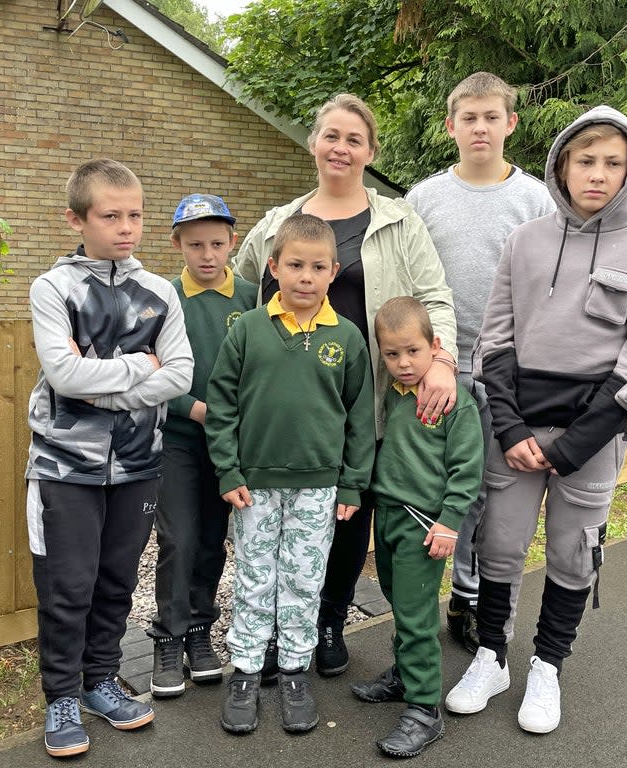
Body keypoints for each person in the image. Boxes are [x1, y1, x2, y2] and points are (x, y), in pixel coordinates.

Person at [444, 106, 627, 734]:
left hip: (592, 436)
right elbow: (491, 342)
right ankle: (491, 655)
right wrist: (512, 432)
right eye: (585, 161)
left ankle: (548, 664)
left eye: (612, 163)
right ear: (562, 166)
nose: (597, 175)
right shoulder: (526, 240)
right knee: (499, 544)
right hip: (515, 430)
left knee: (574, 553)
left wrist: (573, 445)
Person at [234, 93, 457, 677]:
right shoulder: (277, 224)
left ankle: (328, 619)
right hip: (288, 408)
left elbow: (434, 296)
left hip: (366, 399)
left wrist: (442, 360)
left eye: (354, 139)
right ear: (314, 142)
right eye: (332, 135)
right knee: (277, 522)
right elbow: (236, 291)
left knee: (346, 513)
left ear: (369, 152)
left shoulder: (397, 220)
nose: (341, 147)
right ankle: (280, 629)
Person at [25, 159, 193, 757]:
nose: (126, 227)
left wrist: (100, 380)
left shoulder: (160, 292)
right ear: (77, 218)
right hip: (63, 468)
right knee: (68, 586)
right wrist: (137, 368)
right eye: (110, 215)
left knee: (117, 583)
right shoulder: (54, 288)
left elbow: (179, 375)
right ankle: (62, 696)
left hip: (139, 464)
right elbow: (62, 374)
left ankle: (100, 681)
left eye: (136, 214)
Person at [206, 214, 376, 734]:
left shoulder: (346, 338)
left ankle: (296, 670)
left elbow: (360, 417)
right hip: (253, 486)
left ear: (334, 272)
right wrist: (228, 469)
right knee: (256, 578)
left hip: (319, 487)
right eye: (295, 265)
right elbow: (221, 406)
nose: (305, 276)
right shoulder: (249, 330)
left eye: (317, 267)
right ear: (274, 267)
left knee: (304, 581)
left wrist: (351, 482)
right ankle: (247, 671)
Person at [406, 72, 556, 653]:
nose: (480, 127)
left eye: (492, 117)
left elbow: (544, 286)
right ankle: (419, 602)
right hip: (436, 367)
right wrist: (430, 358)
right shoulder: (424, 198)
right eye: (469, 118)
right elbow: (412, 285)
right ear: (451, 126)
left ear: (510, 123)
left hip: (505, 370)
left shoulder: (534, 199)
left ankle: (469, 598)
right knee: (439, 486)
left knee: (493, 489)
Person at [350, 297, 483, 758]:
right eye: (391, 354)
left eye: (412, 351)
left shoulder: (451, 404)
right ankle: (405, 674)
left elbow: (467, 471)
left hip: (424, 528)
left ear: (435, 347)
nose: (403, 363)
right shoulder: (389, 396)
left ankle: (425, 708)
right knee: (397, 599)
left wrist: (449, 524)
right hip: (386, 517)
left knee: (416, 615)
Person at [148, 194, 258, 698]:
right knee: (178, 538)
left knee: (214, 540)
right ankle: (167, 639)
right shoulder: (162, 297)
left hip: (231, 446)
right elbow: (149, 373)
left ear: (233, 241)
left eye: (217, 243)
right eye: (195, 245)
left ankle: (199, 631)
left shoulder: (254, 298)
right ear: (177, 245)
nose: (207, 254)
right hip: (180, 439)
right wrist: (195, 409)